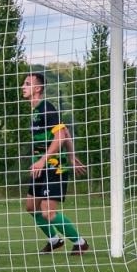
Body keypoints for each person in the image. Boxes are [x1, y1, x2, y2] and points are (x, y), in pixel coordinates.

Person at [22, 72, 89, 255]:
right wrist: (72, 154)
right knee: (31, 207)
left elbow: (60, 136)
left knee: (47, 212)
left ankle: (80, 242)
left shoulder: (46, 108)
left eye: (27, 84)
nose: (23, 87)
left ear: (38, 88)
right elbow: (65, 130)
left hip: (53, 166)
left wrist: (45, 159)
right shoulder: (36, 111)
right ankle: (54, 240)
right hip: (41, 166)